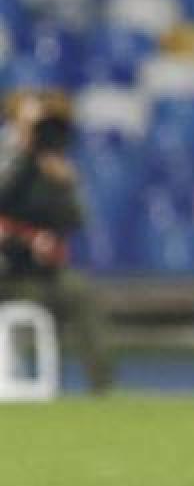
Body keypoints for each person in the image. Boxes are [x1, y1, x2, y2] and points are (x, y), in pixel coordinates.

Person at [0, 92, 113, 393]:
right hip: (6, 270)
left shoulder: (53, 165)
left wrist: (66, 186)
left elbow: (75, 221)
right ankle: (31, 384)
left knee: (80, 292)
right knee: (31, 315)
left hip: (41, 272)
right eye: (29, 123)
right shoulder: (7, 159)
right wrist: (24, 160)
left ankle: (102, 391)